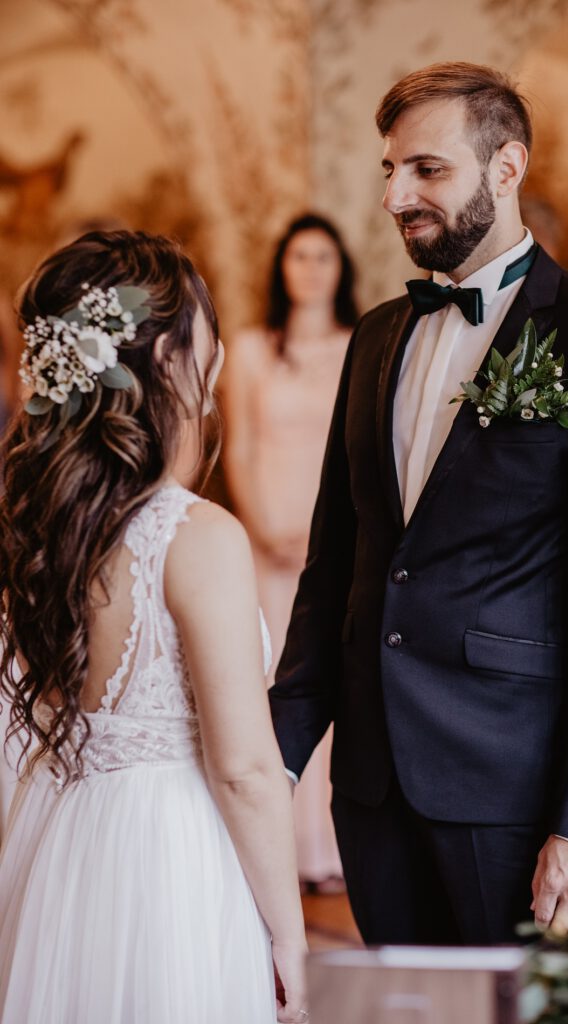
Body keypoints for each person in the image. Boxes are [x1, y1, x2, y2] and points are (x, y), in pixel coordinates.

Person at [268, 62, 568, 946]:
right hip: (370, 789)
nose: (395, 197)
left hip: (511, 793)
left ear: (506, 167)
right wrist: (273, 764)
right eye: (389, 172)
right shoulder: (376, 336)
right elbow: (335, 566)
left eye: (426, 169)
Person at [0, 230, 308, 1023]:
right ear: (169, 353)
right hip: (174, 853)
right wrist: (288, 937)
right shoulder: (195, 534)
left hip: (66, 838)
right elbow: (241, 768)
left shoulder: (40, 528)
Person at [223, 213, 357, 890]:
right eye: (299, 255)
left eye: (322, 257)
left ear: (340, 269)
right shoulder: (249, 349)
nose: (310, 269)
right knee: (264, 680)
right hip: (265, 538)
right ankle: (266, 845)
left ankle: (323, 852)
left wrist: (320, 534)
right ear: (281, 265)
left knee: (326, 678)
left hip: (330, 534)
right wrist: (262, 524)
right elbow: (239, 444)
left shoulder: (361, 342)